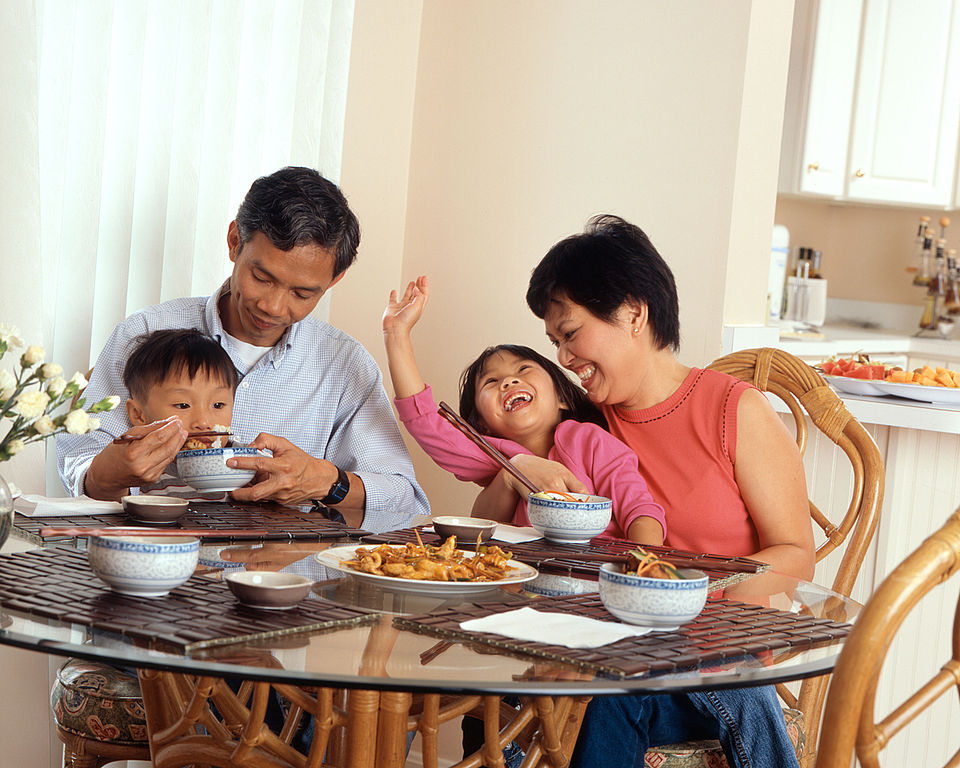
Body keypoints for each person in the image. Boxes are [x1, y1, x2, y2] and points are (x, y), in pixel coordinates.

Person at [473, 214, 815, 768]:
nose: (562, 358)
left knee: (618, 694)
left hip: (708, 664)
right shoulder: (580, 425)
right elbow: (485, 477)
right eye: (554, 341)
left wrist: (675, 600)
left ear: (634, 312)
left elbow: (797, 556)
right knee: (510, 684)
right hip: (596, 657)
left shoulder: (735, 411)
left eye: (571, 333)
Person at [57, 166, 429, 533]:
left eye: (302, 293)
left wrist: (327, 481)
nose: (274, 306)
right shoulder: (145, 332)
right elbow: (78, 461)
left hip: (287, 580)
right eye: (262, 278)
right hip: (156, 570)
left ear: (333, 281)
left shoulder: (345, 365)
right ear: (235, 240)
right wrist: (108, 474)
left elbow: (404, 499)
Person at [381, 275, 665, 544]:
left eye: (524, 369)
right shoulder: (490, 453)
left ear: (562, 398)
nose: (509, 381)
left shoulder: (590, 441)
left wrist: (643, 568)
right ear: (482, 425)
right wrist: (397, 334)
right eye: (491, 382)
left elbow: (640, 510)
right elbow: (425, 420)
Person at [121, 328, 238, 499]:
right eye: (183, 405)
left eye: (218, 404)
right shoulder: (137, 468)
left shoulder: (242, 461)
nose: (203, 422)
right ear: (139, 415)